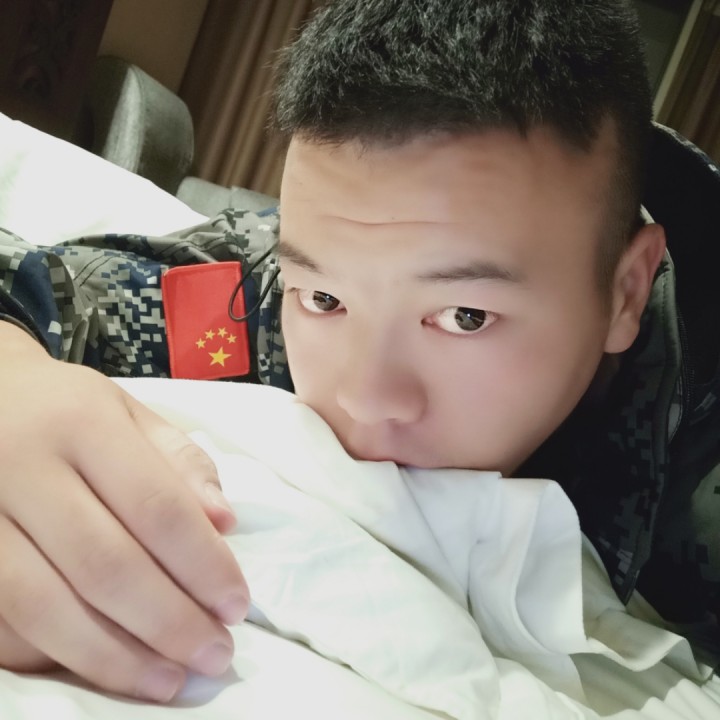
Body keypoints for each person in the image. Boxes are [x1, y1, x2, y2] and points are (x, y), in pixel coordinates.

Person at [1, 0, 719, 703]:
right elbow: (40, 287)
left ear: (626, 292)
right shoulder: (296, 271)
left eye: (466, 316)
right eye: (325, 301)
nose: (365, 399)